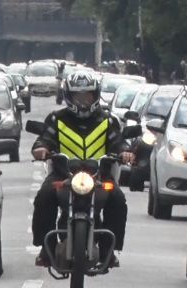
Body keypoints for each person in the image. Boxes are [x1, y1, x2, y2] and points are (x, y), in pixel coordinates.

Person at [31, 72, 134, 268]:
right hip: (63, 174)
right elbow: (44, 139)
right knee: (44, 197)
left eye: (87, 96)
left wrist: (125, 153)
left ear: (95, 95)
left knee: (118, 200)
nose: (83, 100)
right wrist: (41, 149)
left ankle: (108, 250)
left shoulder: (108, 121)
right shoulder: (56, 119)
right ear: (69, 97)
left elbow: (119, 142)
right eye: (78, 96)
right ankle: (46, 249)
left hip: (100, 176)